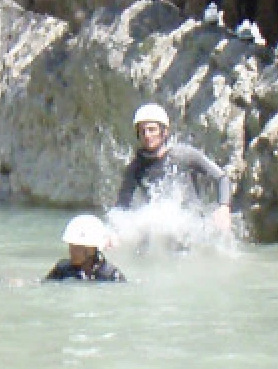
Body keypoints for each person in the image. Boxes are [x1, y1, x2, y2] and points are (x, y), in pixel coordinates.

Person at [115, 103, 232, 231]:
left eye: (152, 129)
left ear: (164, 131)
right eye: (142, 131)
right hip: (160, 231)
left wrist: (224, 207)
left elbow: (222, 178)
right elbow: (121, 208)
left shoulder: (184, 155)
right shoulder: (135, 167)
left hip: (192, 230)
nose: (147, 135)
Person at [44, 215, 127, 282]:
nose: (72, 252)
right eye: (71, 246)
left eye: (78, 248)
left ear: (92, 249)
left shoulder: (111, 275)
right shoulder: (62, 270)